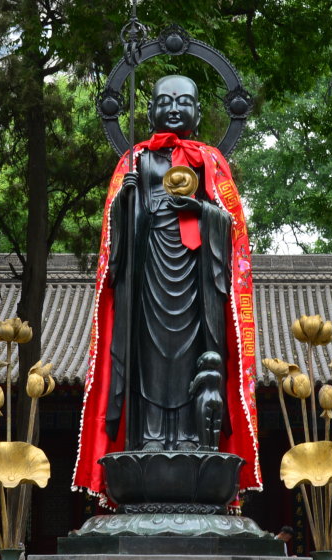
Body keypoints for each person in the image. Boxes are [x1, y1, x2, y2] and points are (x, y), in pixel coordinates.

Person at [73, 74, 261, 503]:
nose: (174, 108)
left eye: (184, 101)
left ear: (198, 111)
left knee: (195, 361)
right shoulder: (137, 160)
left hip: (196, 279)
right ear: (151, 108)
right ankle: (151, 438)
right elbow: (114, 239)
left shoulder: (208, 160)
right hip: (147, 277)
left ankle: (191, 440)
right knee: (149, 362)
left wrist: (201, 209)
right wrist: (128, 202)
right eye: (164, 101)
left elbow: (229, 227)